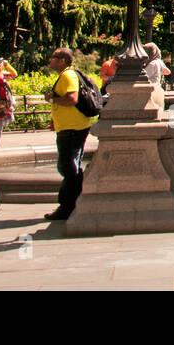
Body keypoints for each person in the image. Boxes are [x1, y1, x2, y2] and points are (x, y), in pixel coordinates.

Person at [43, 47, 98, 221]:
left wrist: (51, 99)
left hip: (72, 128)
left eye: (53, 57)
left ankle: (68, 205)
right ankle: (74, 200)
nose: (50, 60)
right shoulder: (68, 75)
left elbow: (72, 98)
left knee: (67, 166)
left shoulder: (67, 76)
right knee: (71, 165)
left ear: (62, 60)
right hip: (71, 126)